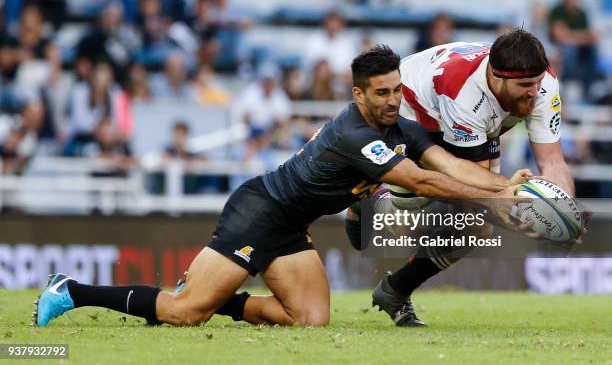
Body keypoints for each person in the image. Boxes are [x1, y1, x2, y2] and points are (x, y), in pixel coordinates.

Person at [33, 45, 530, 328]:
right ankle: (72, 291)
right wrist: (495, 197)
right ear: (358, 95)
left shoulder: (399, 126)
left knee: (309, 320)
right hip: (259, 210)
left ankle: (218, 296)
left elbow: (447, 162)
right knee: (185, 314)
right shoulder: (354, 134)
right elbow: (420, 179)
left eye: (398, 89)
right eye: (382, 93)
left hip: (291, 223)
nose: (393, 100)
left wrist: (502, 184)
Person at [346, 29, 580, 327]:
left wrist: (565, 213)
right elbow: (471, 188)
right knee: (415, 226)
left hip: (477, 120)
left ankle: (395, 291)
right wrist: (528, 218)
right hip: (415, 113)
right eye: (524, 85)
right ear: (496, 78)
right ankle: (370, 203)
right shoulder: (465, 93)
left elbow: (552, 161)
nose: (534, 92)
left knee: (478, 229)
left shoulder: (543, 82)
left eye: (536, 83)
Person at [549, 0, 600, 99]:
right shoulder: (557, 11)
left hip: (580, 47)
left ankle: (588, 90)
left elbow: (591, 36)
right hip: (559, 47)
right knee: (568, 49)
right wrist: (580, 37)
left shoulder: (582, 13)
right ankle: (566, 84)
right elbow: (559, 36)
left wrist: (570, 35)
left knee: (592, 50)